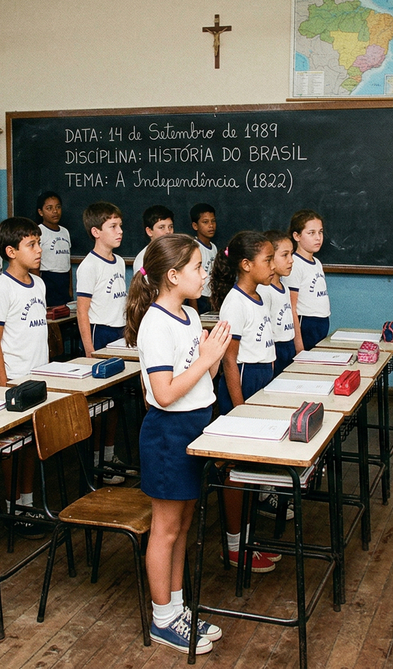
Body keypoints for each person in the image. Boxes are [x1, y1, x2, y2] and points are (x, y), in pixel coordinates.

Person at [125, 233, 228, 655]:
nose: (204, 275)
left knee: (184, 526)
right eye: (198, 269)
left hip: (195, 428)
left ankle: (177, 607)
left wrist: (212, 354)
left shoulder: (187, 314)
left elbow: (203, 379)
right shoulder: (155, 322)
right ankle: (162, 619)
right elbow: (163, 394)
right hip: (168, 436)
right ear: (172, 275)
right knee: (165, 530)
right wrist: (205, 359)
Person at [210, 231, 280, 574]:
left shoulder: (260, 297)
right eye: (267, 260)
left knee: (252, 467)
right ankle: (234, 546)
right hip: (243, 385)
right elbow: (228, 361)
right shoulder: (235, 303)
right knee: (236, 471)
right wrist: (238, 409)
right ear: (246, 265)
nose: (273, 266)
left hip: (261, 381)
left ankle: (247, 539)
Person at [0, 216, 50, 537]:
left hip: (38, 379)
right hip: (13, 380)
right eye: (31, 245)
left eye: (38, 242)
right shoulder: (1, 288)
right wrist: (2, 384)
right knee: (12, 447)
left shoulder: (38, 283)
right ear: (11, 251)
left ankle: (27, 503)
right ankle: (11, 508)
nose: (39, 249)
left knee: (30, 445)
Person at [74, 202, 127, 484]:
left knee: (116, 402)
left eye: (120, 226)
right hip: (99, 335)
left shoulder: (118, 261)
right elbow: (82, 311)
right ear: (96, 231)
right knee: (101, 403)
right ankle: (95, 461)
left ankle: (109, 454)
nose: (120, 232)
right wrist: (89, 350)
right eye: (113, 227)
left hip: (119, 334)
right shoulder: (88, 266)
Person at [284, 209, 329, 350]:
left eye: (320, 232)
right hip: (306, 323)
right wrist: (299, 346)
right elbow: (291, 307)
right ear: (296, 236)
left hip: (321, 322)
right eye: (311, 233)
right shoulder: (294, 264)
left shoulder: (317, 262)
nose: (318, 238)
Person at [261, 230, 297, 376]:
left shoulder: (285, 288)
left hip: (288, 346)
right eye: (284, 255)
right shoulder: (264, 291)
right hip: (275, 349)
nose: (291, 260)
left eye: (292, 254)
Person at [34, 191, 72, 307]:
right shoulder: (38, 232)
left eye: (58, 207)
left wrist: (70, 289)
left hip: (64, 281)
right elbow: (34, 264)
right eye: (49, 208)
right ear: (40, 212)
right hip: (48, 280)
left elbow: (67, 262)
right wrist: (37, 290)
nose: (55, 211)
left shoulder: (65, 232)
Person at [189, 203, 217, 314]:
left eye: (213, 221)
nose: (211, 225)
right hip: (199, 298)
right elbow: (191, 281)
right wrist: (195, 310)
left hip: (211, 298)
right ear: (195, 226)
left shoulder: (213, 247)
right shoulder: (194, 248)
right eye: (205, 222)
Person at [131, 204, 174, 277]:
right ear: (149, 231)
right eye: (161, 227)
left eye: (170, 227)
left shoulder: (179, 252)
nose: (168, 231)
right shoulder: (143, 260)